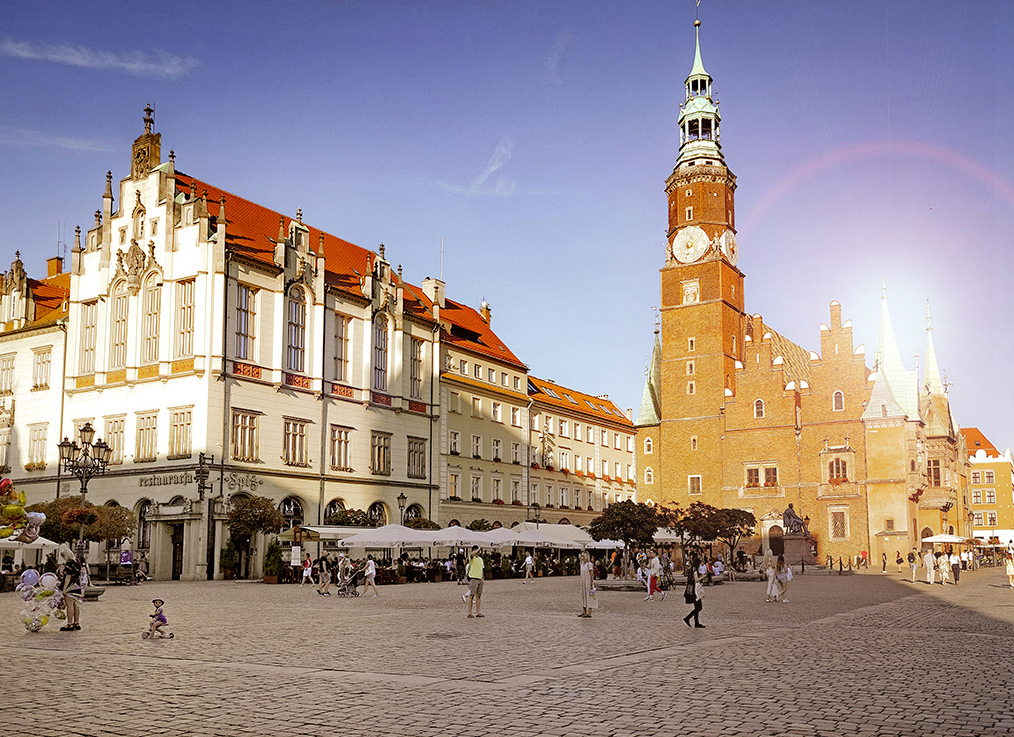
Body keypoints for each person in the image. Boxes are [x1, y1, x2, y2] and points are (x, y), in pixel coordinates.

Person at [58, 546, 83, 631]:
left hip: (70, 585)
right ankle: (76, 622)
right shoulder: (77, 562)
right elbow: (80, 575)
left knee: (69, 605)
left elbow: (68, 577)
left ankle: (69, 624)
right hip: (77, 585)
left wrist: (64, 589)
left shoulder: (68, 564)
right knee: (76, 605)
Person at [682, 554, 704, 628]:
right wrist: (703, 577)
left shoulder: (692, 568)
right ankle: (687, 618)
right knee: (699, 607)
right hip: (694, 590)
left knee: (697, 607)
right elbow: (696, 579)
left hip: (691, 589)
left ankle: (696, 623)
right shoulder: (694, 569)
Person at [462, 546, 485, 618]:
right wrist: (479, 548)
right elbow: (472, 554)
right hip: (473, 578)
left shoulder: (480, 559)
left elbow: (482, 568)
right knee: (471, 595)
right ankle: (470, 612)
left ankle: (478, 612)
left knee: (479, 595)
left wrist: (482, 577)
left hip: (480, 578)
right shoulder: (472, 558)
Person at [578, 550, 595, 618]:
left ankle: (589, 612)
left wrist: (591, 583)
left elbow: (591, 574)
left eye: (583, 556)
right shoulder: (582, 564)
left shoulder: (589, 564)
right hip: (583, 582)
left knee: (589, 597)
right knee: (583, 596)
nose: (581, 557)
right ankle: (584, 611)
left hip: (588, 582)